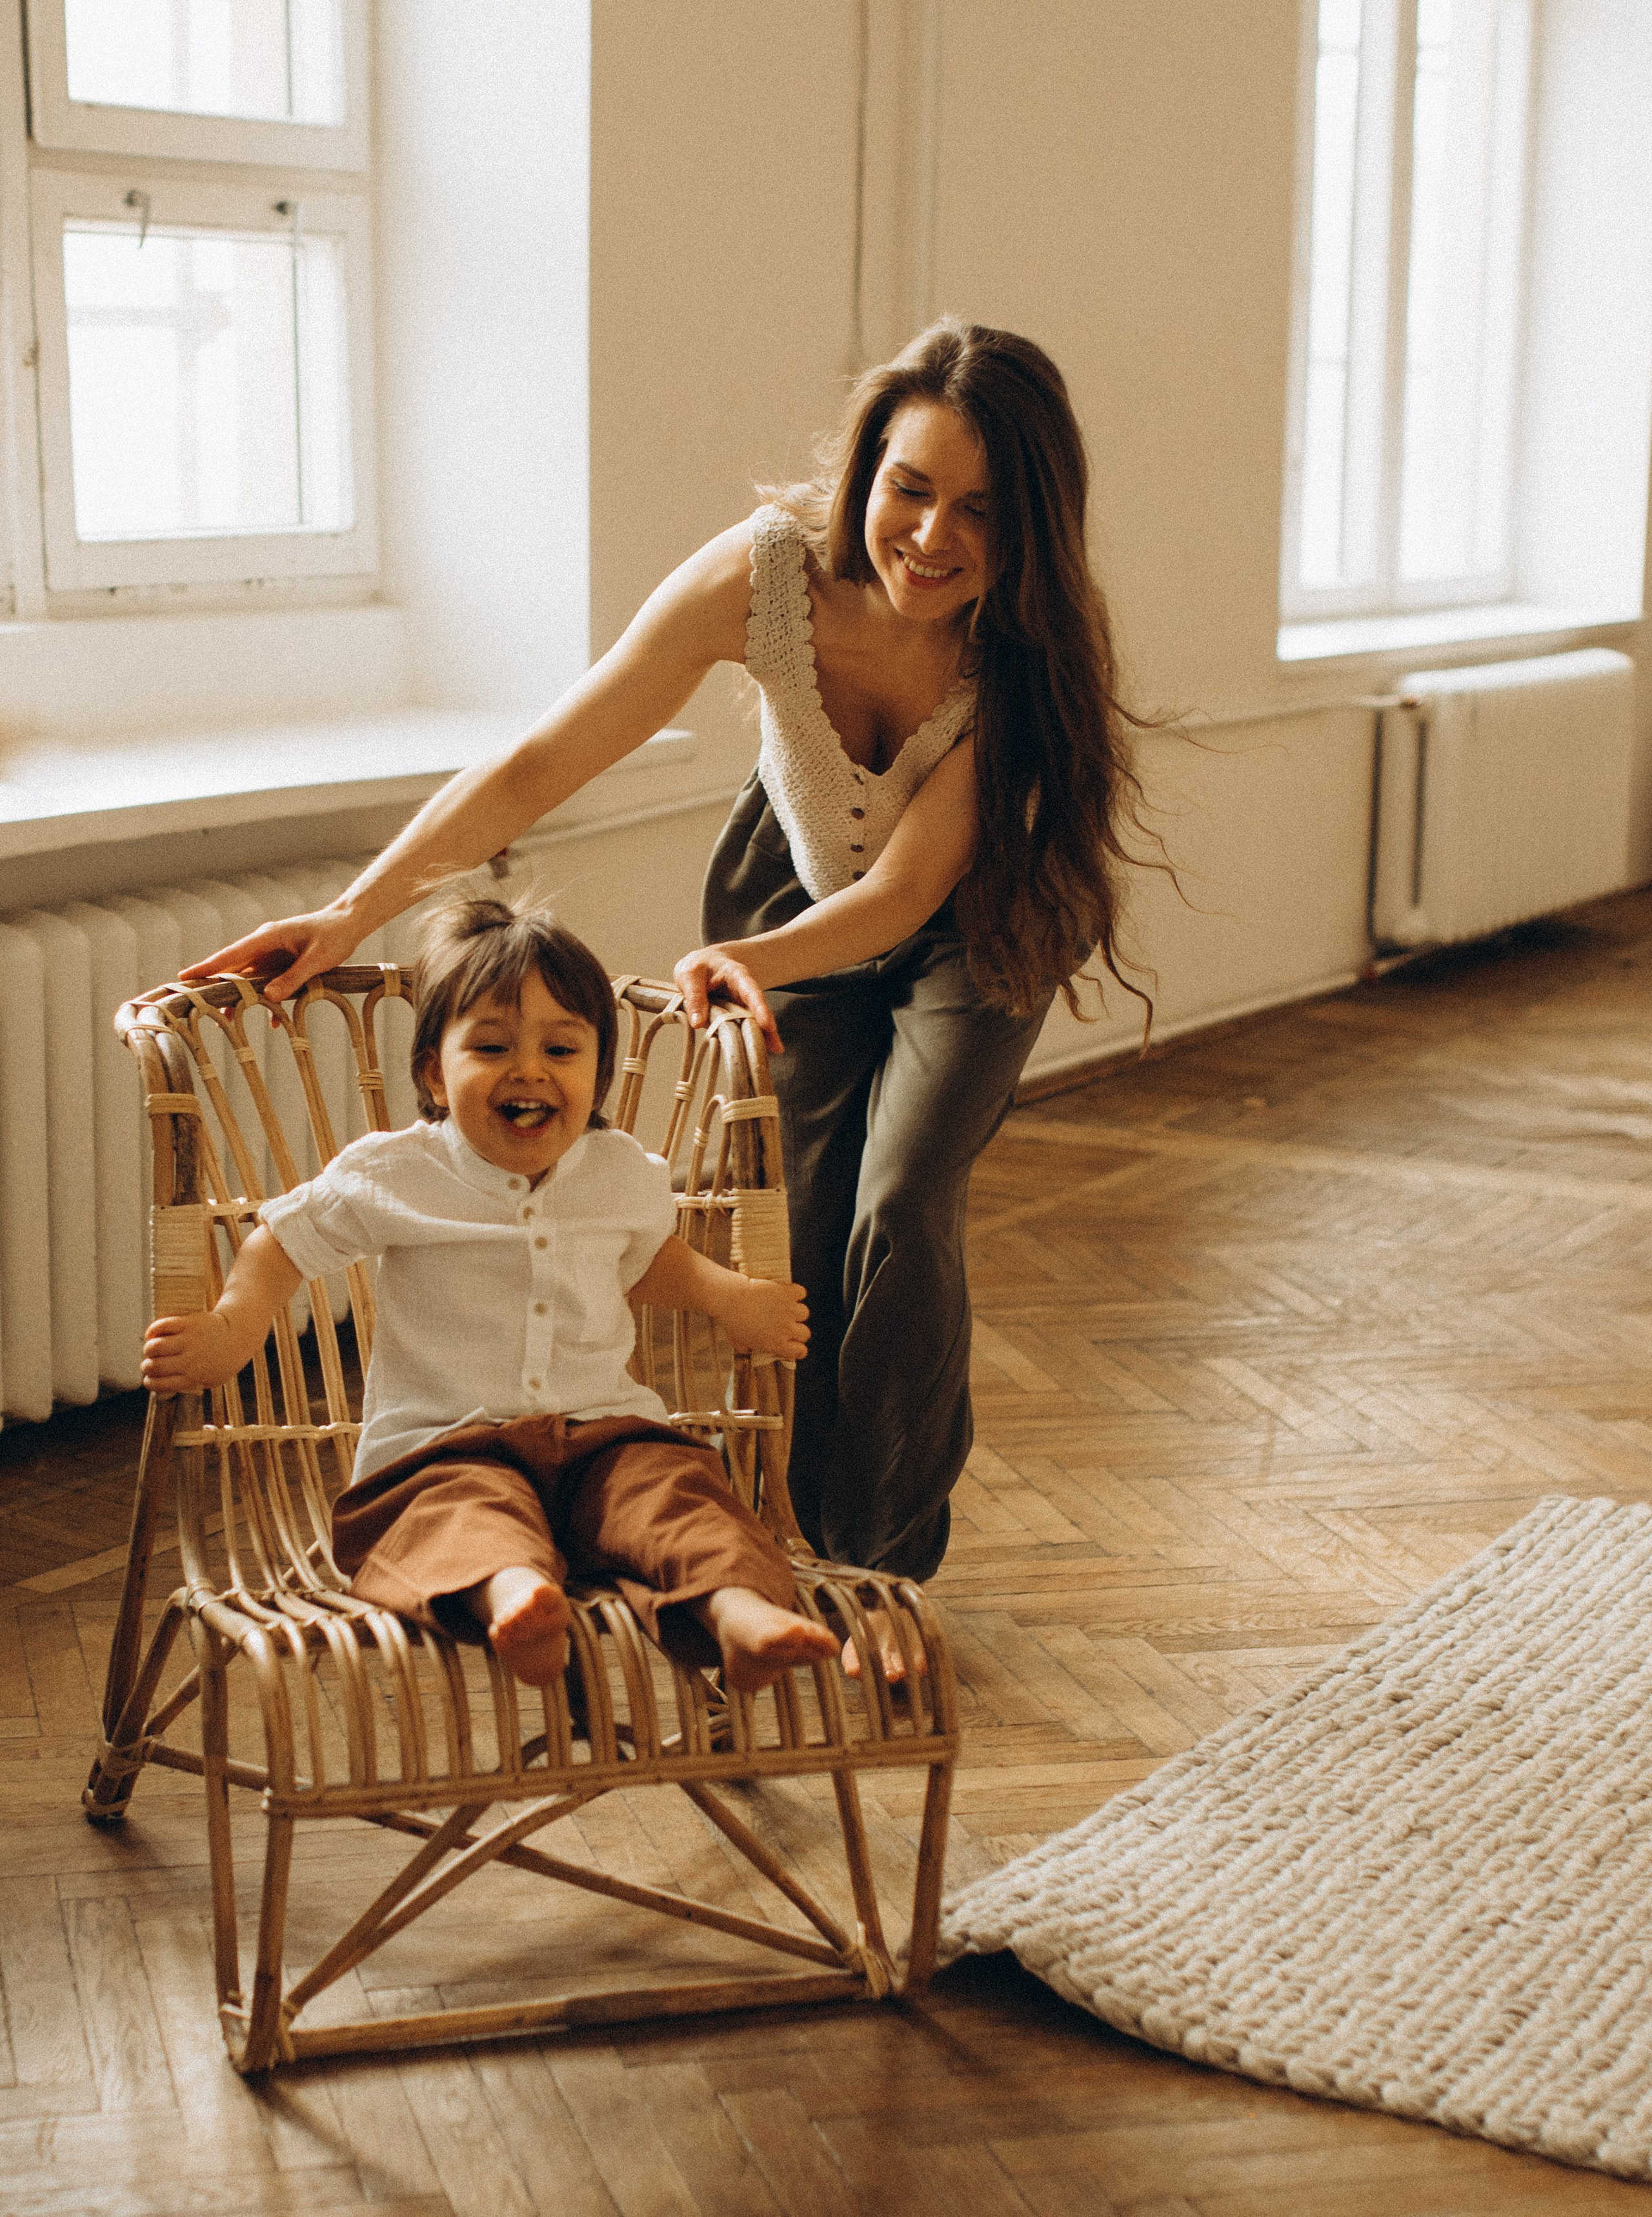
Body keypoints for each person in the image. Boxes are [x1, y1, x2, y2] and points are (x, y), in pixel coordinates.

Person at [184, 318, 1148, 1587]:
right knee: (797, 1234)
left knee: (899, 1204)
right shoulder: (758, 580)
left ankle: (886, 1569)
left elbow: (906, 892)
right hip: (793, 881)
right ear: (866, 471)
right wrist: (353, 913)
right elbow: (539, 763)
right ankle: (804, 1552)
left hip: (970, 922)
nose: (929, 538)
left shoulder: (1013, 653)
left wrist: (765, 959)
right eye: (908, 490)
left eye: (977, 510)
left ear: (1027, 521)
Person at [143, 895, 840, 1692]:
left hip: (606, 1435)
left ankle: (740, 1615)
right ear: (436, 1074)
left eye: (562, 1049)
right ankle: (519, 1598)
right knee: (462, 1519)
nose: (529, 1069)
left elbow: (644, 1261)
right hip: (447, 1444)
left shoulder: (619, 1173)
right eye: (492, 1046)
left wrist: (726, 1296)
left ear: (598, 1075)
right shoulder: (398, 1173)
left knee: (680, 1497)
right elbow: (283, 1243)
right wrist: (234, 1326)